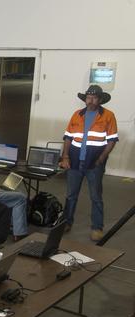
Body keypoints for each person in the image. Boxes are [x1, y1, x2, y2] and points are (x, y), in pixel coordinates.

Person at [61, 85, 118, 242]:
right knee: (71, 195)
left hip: (95, 163)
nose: (90, 100)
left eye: (94, 98)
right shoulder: (77, 115)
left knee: (96, 196)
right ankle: (66, 222)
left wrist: (102, 158)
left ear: (100, 100)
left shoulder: (108, 116)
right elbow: (68, 137)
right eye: (88, 98)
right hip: (74, 161)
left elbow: (112, 140)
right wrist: (65, 157)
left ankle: (97, 228)